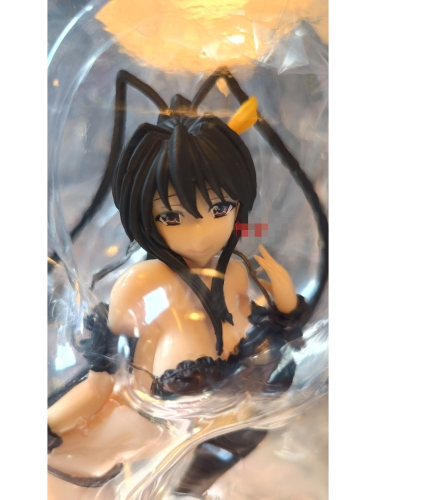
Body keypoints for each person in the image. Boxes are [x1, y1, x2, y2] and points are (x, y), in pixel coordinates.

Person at [47, 68, 327, 497]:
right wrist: (49, 427)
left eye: (219, 210)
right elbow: (103, 379)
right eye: (172, 216)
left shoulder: (235, 272)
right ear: (146, 217)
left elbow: (279, 336)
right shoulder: (141, 284)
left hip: (228, 424)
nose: (200, 234)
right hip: (143, 429)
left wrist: (286, 300)